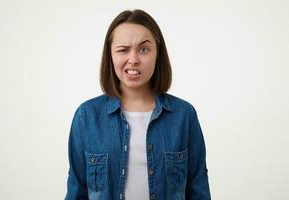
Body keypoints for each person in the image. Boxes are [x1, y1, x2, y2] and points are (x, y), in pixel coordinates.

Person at [65, 9, 211, 200]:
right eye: (123, 50)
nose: (133, 59)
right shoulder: (87, 116)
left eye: (143, 49)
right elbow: (77, 193)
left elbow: (198, 191)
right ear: (110, 55)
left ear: (157, 54)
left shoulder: (184, 115)